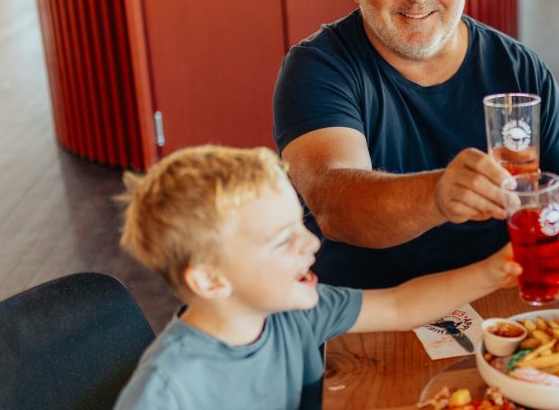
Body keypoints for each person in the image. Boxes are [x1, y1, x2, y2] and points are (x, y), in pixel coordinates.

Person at [273, 0, 559, 289]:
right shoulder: (318, 67)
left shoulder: (522, 70)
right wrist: (439, 194)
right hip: (366, 305)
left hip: (497, 296)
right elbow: (336, 206)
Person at [114, 145, 520, 409]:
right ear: (211, 281)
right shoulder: (165, 391)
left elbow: (399, 306)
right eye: (282, 240)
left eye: (300, 224)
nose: (311, 243)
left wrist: (493, 271)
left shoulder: (290, 311)